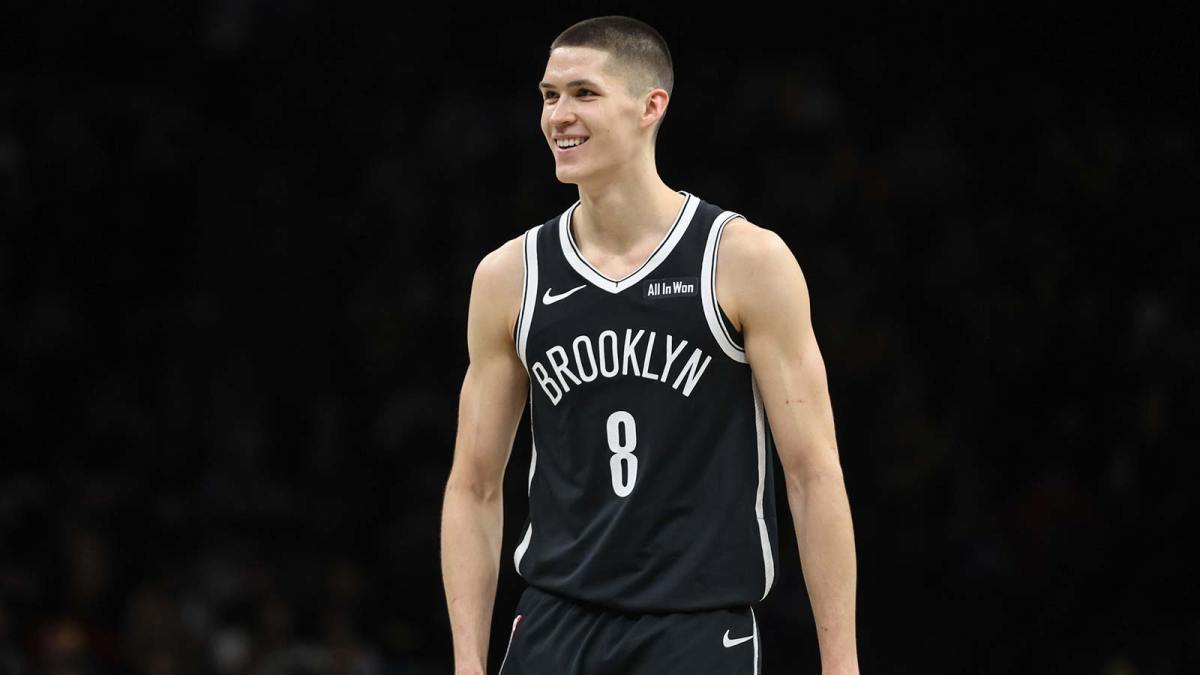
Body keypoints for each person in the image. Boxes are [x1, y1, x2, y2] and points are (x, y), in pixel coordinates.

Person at [441, 15, 859, 675]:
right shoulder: (510, 276)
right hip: (555, 620)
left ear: (650, 106)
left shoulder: (743, 259)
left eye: (583, 93)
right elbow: (473, 485)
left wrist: (841, 662)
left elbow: (812, 473)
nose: (558, 115)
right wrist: (467, 661)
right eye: (549, 96)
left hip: (695, 627)